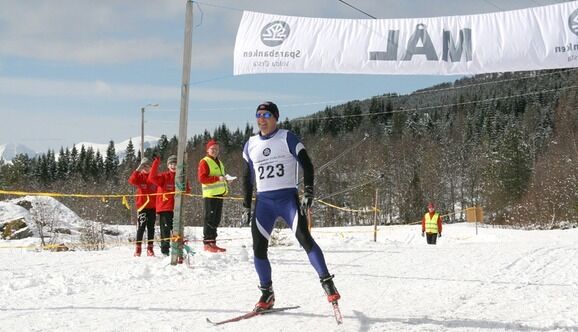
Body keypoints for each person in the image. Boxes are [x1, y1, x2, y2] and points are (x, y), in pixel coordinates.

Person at [241, 101, 340, 312]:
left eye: (267, 115)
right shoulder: (250, 144)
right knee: (258, 248)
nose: (262, 119)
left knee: (305, 239)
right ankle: (267, 293)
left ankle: (327, 282)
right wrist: (246, 206)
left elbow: (307, 164)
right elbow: (247, 177)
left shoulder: (287, 137)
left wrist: (309, 192)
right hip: (264, 203)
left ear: (276, 118)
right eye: (258, 115)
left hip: (287, 200)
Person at [148, 155, 190, 256]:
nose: (173, 166)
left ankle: (178, 249)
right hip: (165, 208)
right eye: (171, 164)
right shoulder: (164, 177)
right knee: (165, 230)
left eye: (175, 164)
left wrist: (184, 188)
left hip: (177, 208)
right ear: (168, 165)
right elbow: (152, 178)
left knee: (177, 229)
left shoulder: (181, 178)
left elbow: (187, 190)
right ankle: (165, 251)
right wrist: (156, 163)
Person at [198, 139, 231, 253]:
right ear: (208, 150)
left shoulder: (219, 162)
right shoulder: (204, 161)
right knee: (209, 219)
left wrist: (226, 180)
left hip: (219, 194)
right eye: (213, 149)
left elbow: (220, 177)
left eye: (217, 149)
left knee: (216, 219)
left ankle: (213, 242)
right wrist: (217, 179)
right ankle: (207, 243)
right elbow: (202, 178)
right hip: (210, 194)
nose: (215, 151)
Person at [128, 157, 157, 257]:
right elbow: (131, 180)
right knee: (141, 227)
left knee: (151, 228)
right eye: (143, 166)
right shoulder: (139, 176)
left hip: (153, 207)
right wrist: (138, 169)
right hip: (142, 207)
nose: (146, 168)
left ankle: (150, 248)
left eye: (148, 166)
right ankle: (138, 248)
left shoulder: (154, 177)